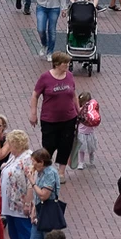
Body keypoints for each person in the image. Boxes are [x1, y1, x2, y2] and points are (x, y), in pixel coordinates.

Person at [29, 53, 78, 181]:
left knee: (65, 144)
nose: (67, 65)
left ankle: (61, 172)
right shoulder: (45, 77)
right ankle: (45, 170)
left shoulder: (70, 76)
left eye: (68, 63)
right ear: (56, 64)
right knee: (49, 145)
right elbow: (35, 95)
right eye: (65, 63)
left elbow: (73, 95)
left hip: (69, 118)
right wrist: (33, 113)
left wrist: (78, 111)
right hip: (49, 119)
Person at [1, 129, 35, 239]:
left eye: (10, 143)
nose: (8, 146)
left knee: (24, 237)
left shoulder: (28, 158)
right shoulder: (14, 156)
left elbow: (30, 182)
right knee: (14, 237)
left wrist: (27, 203)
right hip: (10, 205)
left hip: (20, 206)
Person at [28, 149, 61, 239]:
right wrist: (33, 210)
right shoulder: (40, 172)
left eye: (34, 161)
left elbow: (43, 195)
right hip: (39, 214)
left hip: (48, 215)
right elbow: (37, 196)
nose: (32, 164)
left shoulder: (50, 173)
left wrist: (32, 181)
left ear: (41, 162)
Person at [75, 91, 100, 169]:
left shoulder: (91, 110)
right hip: (81, 132)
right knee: (82, 149)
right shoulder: (80, 110)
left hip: (90, 132)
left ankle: (91, 157)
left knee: (91, 147)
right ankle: (81, 162)